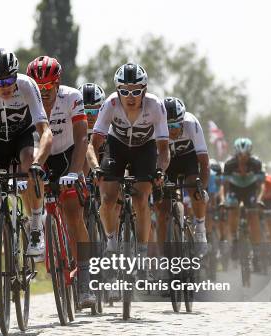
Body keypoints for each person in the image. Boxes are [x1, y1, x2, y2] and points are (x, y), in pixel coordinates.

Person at [0, 49, 53, 317]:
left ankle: (36, 227)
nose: (4, 87)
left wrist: (39, 162)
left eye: (8, 80)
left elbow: (45, 131)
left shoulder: (27, 85)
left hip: (22, 138)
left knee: (29, 163)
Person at [26, 56, 95, 308]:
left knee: (73, 211)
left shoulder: (72, 97)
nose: (43, 93)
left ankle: (85, 277)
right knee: (35, 193)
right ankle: (41, 234)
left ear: (58, 84)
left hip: (69, 154)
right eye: (38, 88)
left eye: (48, 88)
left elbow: (82, 138)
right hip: (41, 155)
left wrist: (75, 173)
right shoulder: (26, 98)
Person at [87, 63, 170, 262]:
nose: (130, 96)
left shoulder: (155, 106)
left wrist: (160, 170)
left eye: (136, 91)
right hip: (117, 146)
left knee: (141, 199)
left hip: (145, 149)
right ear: (118, 91)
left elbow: (164, 149)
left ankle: (142, 254)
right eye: (125, 91)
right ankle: (111, 244)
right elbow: (93, 144)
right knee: (107, 199)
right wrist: (96, 168)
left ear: (145, 90)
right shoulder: (111, 104)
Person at [156, 97, 210, 255]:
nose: (171, 130)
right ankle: (162, 256)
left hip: (188, 159)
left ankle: (200, 228)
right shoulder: (155, 125)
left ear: (182, 121)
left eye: (175, 125)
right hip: (166, 163)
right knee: (162, 211)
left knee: (195, 188)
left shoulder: (191, 123)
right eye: (167, 126)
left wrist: (202, 188)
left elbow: (204, 164)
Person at [222, 137, 265, 267]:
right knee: (232, 208)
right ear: (236, 153)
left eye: (246, 155)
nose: (243, 157)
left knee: (253, 215)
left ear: (250, 153)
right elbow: (225, 185)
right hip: (235, 189)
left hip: (251, 190)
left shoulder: (256, 163)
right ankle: (234, 239)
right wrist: (224, 200)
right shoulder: (229, 164)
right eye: (240, 155)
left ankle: (256, 250)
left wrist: (259, 199)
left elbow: (261, 185)